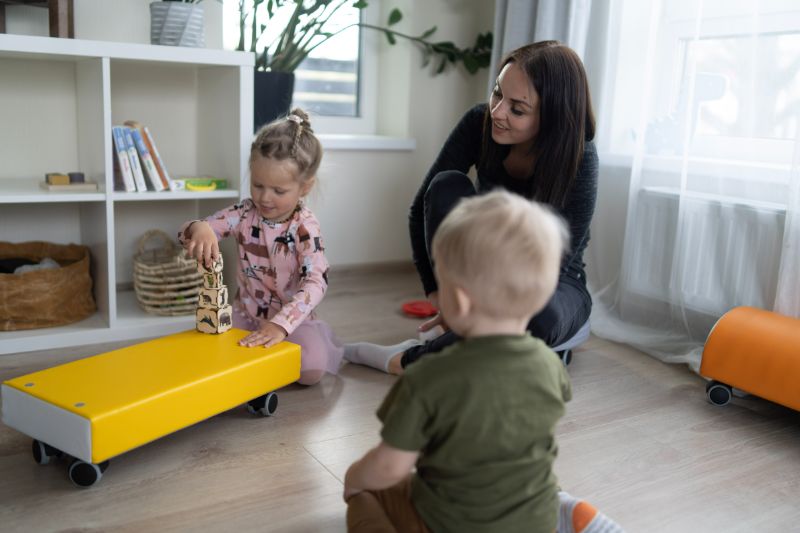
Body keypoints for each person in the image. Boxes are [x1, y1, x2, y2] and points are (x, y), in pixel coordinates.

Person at [344, 40, 598, 374]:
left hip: (551, 284)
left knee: (539, 316)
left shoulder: (580, 159)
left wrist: (479, 312)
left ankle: (408, 360)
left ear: (552, 118)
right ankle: (483, 340)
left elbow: (550, 271)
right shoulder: (479, 123)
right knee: (447, 184)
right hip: (478, 272)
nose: (497, 112)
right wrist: (440, 293)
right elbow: (422, 206)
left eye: (517, 109)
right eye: (497, 93)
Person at [344, 191, 572, 533]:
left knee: (366, 495)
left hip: (446, 523)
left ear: (459, 301)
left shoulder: (428, 377)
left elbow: (391, 467)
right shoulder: (550, 364)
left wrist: (353, 478)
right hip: (534, 522)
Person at [178, 108, 342, 386]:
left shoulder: (305, 227)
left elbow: (317, 281)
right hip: (245, 314)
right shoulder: (244, 213)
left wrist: (281, 325)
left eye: (279, 191)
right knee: (209, 354)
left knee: (312, 370)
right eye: (257, 185)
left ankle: (301, 349)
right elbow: (187, 232)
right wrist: (198, 228)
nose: (264, 198)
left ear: (305, 187)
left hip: (291, 321)